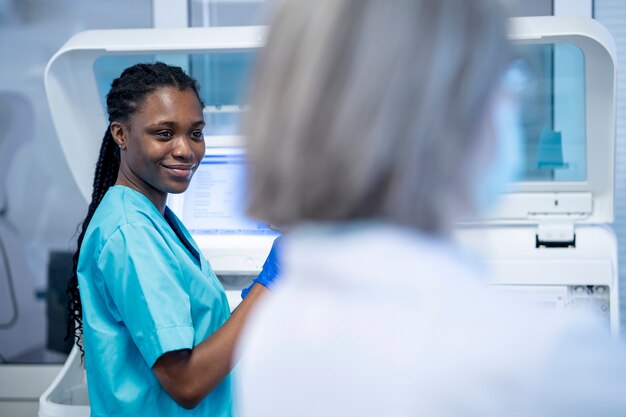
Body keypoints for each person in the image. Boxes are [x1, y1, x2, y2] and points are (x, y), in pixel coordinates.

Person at [234, 0, 626, 416]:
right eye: (503, 81)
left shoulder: (276, 329)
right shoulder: (549, 355)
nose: (513, 106)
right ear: (449, 114)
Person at [66, 62, 279, 417]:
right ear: (121, 134)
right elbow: (186, 383)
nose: (185, 150)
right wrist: (269, 282)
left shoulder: (151, 217)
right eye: (164, 134)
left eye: (195, 133)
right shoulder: (131, 233)